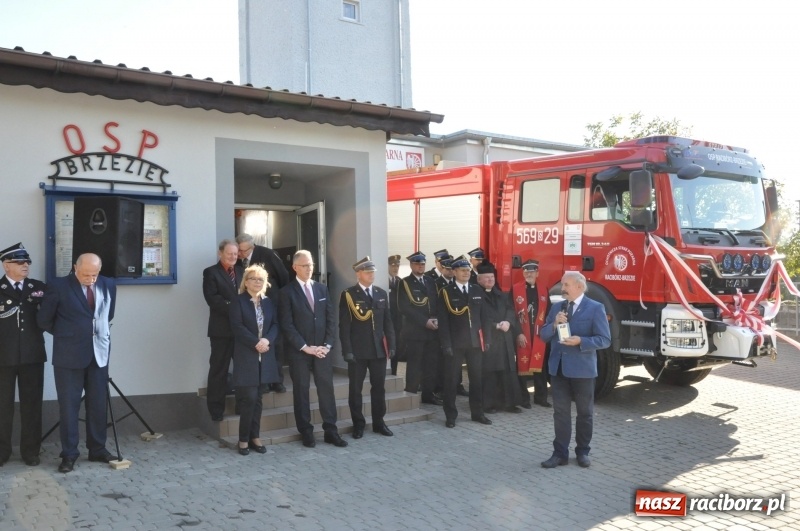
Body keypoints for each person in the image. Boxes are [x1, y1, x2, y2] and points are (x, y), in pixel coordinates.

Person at [37, 253, 116, 473]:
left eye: (94, 274)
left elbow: (107, 315)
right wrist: (67, 334)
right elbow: (44, 319)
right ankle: (69, 454)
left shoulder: (108, 284)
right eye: (85, 274)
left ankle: (97, 449)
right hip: (68, 356)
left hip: (99, 354)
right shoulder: (58, 286)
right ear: (75, 268)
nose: (90, 278)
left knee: (98, 404)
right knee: (69, 407)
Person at [540, 271, 611, 469]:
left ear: (580, 286)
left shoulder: (595, 308)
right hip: (559, 369)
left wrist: (582, 341)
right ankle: (560, 453)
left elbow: (604, 340)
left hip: (583, 370)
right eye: (562, 284)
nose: (562, 288)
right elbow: (543, 335)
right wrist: (554, 324)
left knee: (585, 413)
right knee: (560, 413)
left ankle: (582, 452)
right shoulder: (557, 307)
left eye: (566, 285)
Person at [279, 250, 347, 448]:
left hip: (322, 351)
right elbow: (287, 325)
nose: (309, 269)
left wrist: (327, 345)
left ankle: (330, 430)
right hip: (299, 351)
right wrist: (305, 347)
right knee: (301, 390)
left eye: (311, 265)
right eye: (305, 266)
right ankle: (306, 432)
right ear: (295, 268)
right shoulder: (286, 292)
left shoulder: (321, 289)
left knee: (326, 389)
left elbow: (330, 319)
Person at [0, 243, 46, 467]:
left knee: (32, 405)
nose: (26, 265)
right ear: (6, 265)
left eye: (27, 262)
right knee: (2, 406)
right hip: (3, 358)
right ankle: (2, 451)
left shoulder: (38, 288)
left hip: (32, 357)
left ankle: (30, 451)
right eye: (20, 262)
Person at [339, 257, 396, 439]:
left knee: (379, 388)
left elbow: (388, 322)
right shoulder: (349, 294)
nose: (371, 275)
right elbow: (345, 325)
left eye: (373, 272)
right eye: (368, 272)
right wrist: (347, 350)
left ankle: (379, 422)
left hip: (379, 350)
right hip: (358, 351)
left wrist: (392, 345)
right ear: (359, 274)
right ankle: (358, 424)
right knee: (355, 389)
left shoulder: (380, 293)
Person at [229, 265, 280, 456]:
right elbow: (237, 326)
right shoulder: (238, 301)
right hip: (247, 355)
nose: (257, 282)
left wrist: (267, 340)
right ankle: (243, 439)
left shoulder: (268, 302)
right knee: (248, 399)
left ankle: (255, 437)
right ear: (246, 281)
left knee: (258, 399)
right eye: (253, 278)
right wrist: (255, 342)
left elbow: (275, 324)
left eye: (260, 279)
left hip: (265, 355)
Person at [437, 255, 492, 428]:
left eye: (468, 270)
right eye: (462, 270)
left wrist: (487, 339)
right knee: (451, 380)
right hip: (455, 343)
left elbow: (485, 318)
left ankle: (477, 413)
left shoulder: (477, 290)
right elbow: (443, 321)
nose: (466, 273)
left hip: (475, 342)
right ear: (454, 272)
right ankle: (451, 415)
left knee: (476, 379)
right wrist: (446, 344)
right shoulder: (446, 292)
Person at [236, 233, 291, 393]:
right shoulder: (239, 260)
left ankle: (277, 381)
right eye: (240, 251)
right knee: (257, 342)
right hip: (250, 306)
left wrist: (277, 297)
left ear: (252, 247)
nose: (241, 254)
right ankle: (263, 382)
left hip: (271, 304)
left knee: (275, 342)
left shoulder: (266, 254)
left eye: (244, 251)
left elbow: (283, 276)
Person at [202, 240, 244, 422]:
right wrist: (237, 308)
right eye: (229, 254)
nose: (233, 257)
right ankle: (216, 410)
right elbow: (213, 299)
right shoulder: (211, 272)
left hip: (242, 331)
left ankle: (242, 406)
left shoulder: (242, 271)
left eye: (236, 254)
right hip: (221, 330)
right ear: (220, 253)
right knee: (219, 370)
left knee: (243, 369)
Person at [476, 262, 522, 414]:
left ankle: (509, 404)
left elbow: (510, 309)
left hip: (504, 338)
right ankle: (489, 405)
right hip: (489, 338)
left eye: (492, 277)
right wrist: (495, 325)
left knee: (507, 371)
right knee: (490, 373)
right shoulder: (476, 296)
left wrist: (508, 321)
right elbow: (478, 318)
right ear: (479, 280)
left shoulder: (501, 294)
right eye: (487, 278)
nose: (490, 280)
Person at [398, 251, 442, 406]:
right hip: (415, 331)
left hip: (432, 331)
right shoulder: (405, 283)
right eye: (417, 264)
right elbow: (405, 308)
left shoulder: (430, 281)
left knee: (431, 364)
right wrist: (425, 322)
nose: (420, 266)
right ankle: (411, 394)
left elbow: (435, 302)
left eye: (422, 264)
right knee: (415, 365)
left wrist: (436, 319)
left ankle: (428, 395)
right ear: (411, 265)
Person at [513, 259, 551, 408]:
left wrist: (547, 330)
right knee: (522, 367)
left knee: (540, 366)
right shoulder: (515, 289)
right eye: (526, 271)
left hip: (539, 334)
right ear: (523, 273)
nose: (529, 274)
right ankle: (523, 399)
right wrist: (518, 333)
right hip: (523, 333)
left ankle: (540, 398)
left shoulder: (544, 289)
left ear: (537, 273)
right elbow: (512, 314)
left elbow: (548, 312)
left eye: (532, 271)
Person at [387, 254, 404, 376]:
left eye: (397, 265)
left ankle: (394, 373)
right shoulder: (383, 281)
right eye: (392, 265)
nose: (395, 268)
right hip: (387, 321)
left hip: (398, 323)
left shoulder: (399, 282)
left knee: (396, 349)